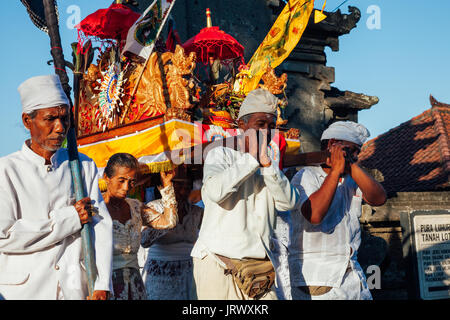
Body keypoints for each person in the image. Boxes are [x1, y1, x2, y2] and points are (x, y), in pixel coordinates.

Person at [0, 75, 113, 300]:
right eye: (50, 119)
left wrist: (103, 283)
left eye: (65, 118)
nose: (60, 128)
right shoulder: (6, 170)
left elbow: (101, 226)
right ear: (27, 120)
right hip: (25, 292)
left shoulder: (83, 165)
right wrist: (69, 219)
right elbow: (5, 236)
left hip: (76, 290)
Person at [190, 88, 300, 300]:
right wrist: (251, 160)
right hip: (218, 263)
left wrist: (268, 166)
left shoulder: (270, 163)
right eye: (260, 125)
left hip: (258, 269)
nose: (266, 132)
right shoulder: (220, 155)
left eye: (271, 126)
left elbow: (289, 203)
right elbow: (214, 192)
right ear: (242, 126)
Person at [289, 121, 387, 300]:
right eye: (352, 151)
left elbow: (379, 198)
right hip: (319, 281)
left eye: (357, 152)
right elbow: (314, 215)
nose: (355, 156)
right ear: (331, 144)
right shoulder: (305, 176)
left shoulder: (351, 178)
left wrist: (350, 164)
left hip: (352, 276)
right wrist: (334, 172)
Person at [102, 153, 178, 300]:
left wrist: (167, 186)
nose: (126, 187)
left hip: (135, 286)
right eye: (121, 180)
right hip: (105, 286)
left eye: (131, 182)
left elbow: (169, 221)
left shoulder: (136, 207)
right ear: (106, 177)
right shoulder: (94, 208)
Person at [141, 168, 203, 300]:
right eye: (179, 185)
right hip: (160, 277)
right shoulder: (153, 208)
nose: (183, 191)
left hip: (189, 275)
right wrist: (167, 221)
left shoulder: (196, 212)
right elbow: (144, 241)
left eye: (187, 186)